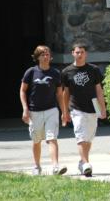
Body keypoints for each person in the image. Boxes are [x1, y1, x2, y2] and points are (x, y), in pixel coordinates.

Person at [20, 45, 67, 176]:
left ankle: (55, 167)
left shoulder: (55, 73)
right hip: (34, 111)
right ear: (37, 57)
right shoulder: (31, 72)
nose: (45, 57)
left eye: (47, 54)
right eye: (42, 54)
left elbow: (59, 93)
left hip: (51, 110)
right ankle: (37, 166)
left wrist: (64, 112)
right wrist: (25, 109)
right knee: (36, 140)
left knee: (52, 138)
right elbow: (23, 91)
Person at [61, 42, 107, 177]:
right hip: (76, 108)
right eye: (77, 52)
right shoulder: (66, 72)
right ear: (72, 54)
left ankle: (82, 162)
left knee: (88, 138)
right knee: (81, 136)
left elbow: (99, 90)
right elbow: (65, 93)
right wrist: (65, 112)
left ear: (85, 54)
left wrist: (102, 108)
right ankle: (87, 163)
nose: (79, 54)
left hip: (93, 107)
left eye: (82, 52)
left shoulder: (94, 70)